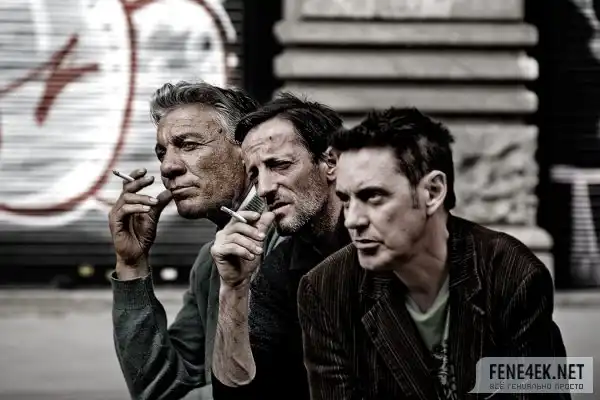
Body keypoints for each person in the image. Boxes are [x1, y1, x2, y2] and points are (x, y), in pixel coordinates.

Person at [297, 107, 570, 399]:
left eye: (373, 196)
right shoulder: (327, 288)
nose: (352, 220)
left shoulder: (513, 275)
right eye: (346, 200)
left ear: (433, 191)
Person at [108, 81, 279, 400]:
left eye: (187, 145)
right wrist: (131, 265)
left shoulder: (288, 238)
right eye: (162, 152)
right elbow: (161, 390)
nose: (168, 167)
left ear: (247, 151)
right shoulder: (209, 264)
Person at [208, 93, 349, 400]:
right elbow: (237, 395)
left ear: (331, 162)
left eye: (280, 165)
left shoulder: (395, 240)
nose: (264, 188)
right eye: (255, 174)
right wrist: (233, 288)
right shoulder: (281, 269)